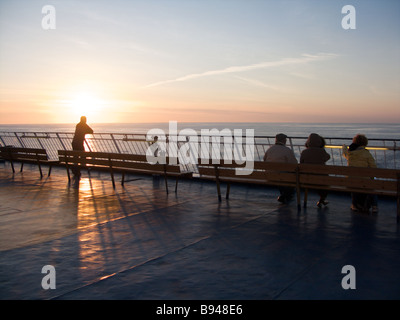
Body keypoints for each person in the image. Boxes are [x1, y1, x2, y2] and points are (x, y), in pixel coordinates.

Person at [342, 134, 378, 213]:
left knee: (354, 182)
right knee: (372, 185)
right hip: (364, 180)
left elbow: (344, 153)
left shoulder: (350, 153)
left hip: (351, 180)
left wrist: (344, 147)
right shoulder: (366, 153)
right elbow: (373, 168)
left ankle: (354, 205)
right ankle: (374, 206)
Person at [263, 133, 298, 203]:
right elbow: (294, 164)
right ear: (284, 141)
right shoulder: (287, 150)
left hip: (269, 175)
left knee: (280, 175)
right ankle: (286, 195)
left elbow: (264, 159)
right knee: (289, 175)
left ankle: (283, 194)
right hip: (281, 176)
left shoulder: (270, 149)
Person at [300, 133, 331, 207]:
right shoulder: (322, 151)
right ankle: (322, 199)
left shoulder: (304, 152)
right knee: (324, 183)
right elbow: (327, 157)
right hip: (321, 180)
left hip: (307, 179)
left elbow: (301, 163)